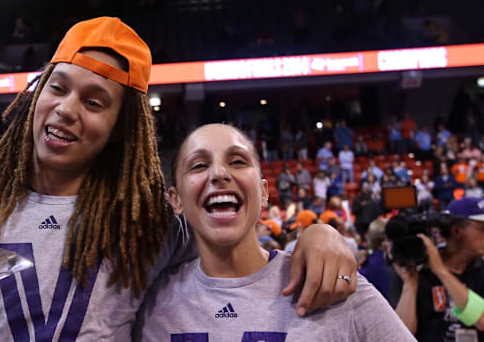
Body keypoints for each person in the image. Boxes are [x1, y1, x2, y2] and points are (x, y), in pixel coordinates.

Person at [0, 17, 356, 342]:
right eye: (57, 88)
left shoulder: (150, 225)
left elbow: (246, 257)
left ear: (121, 131)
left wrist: (318, 233)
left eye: (94, 102)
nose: (66, 110)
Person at [135, 124, 413, 341]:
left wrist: (321, 231)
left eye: (237, 161)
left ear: (264, 192)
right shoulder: (149, 301)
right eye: (199, 165)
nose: (219, 173)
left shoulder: (332, 280)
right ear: (176, 200)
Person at [390, 197, 484, 341]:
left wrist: (441, 272)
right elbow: (401, 335)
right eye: (482, 229)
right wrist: (410, 283)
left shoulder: (480, 270)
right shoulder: (416, 268)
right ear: (456, 231)